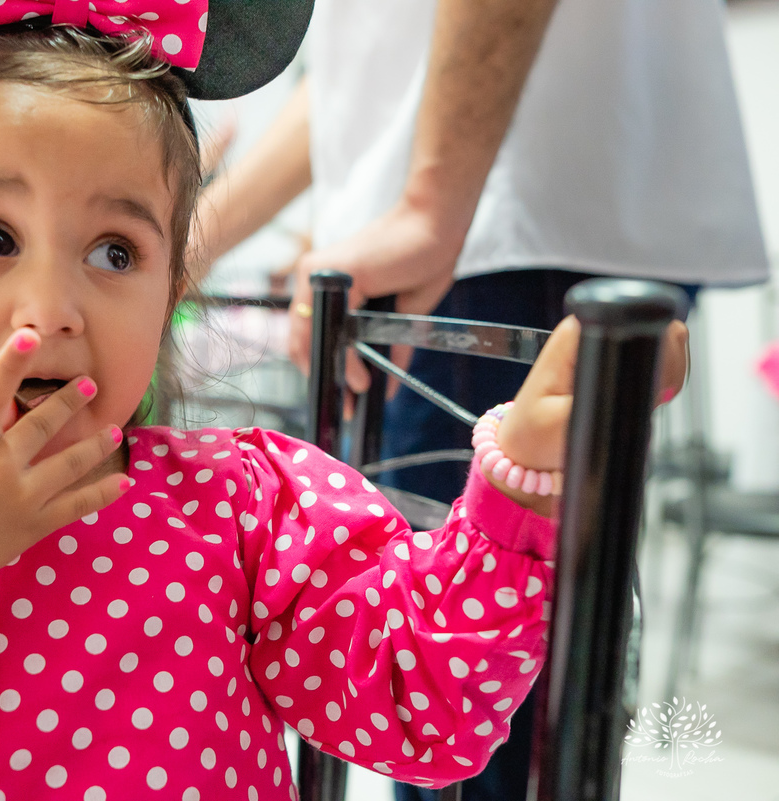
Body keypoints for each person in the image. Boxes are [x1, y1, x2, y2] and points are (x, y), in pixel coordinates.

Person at [0, 5, 687, 799]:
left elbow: (431, 715)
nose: (51, 309)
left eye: (115, 251)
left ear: (170, 289)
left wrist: (525, 486)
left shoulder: (248, 511)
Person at [194, 2, 765, 796]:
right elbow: (365, 78)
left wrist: (432, 204)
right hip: (488, 207)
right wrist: (177, 247)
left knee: (465, 686)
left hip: (507, 219)